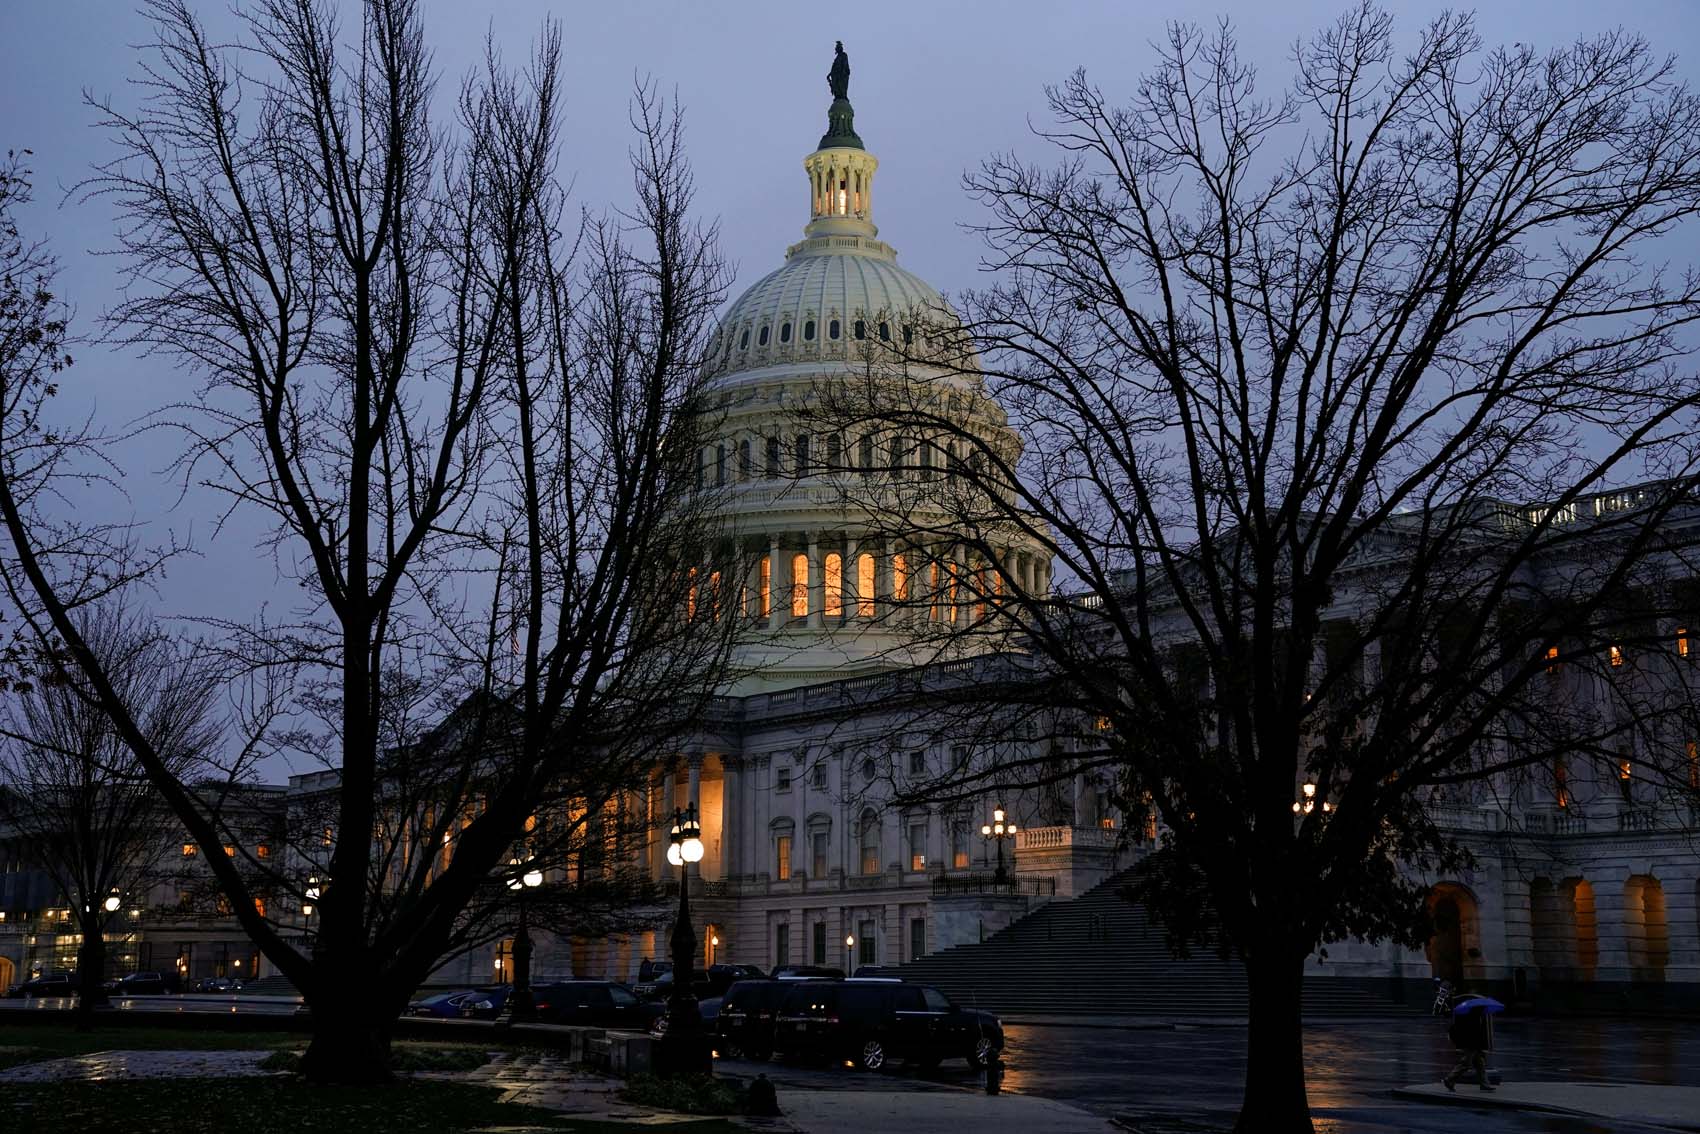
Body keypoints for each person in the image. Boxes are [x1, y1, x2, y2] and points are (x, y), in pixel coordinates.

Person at [1443, 991, 1496, 1092]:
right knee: (1466, 1064)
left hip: (1475, 1045)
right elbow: (1471, 1034)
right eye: (1483, 1009)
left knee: (1480, 1064)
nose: (1485, 1010)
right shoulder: (1472, 1018)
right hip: (1471, 1045)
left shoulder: (1475, 1017)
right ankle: (1449, 1079)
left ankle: (1485, 1084)